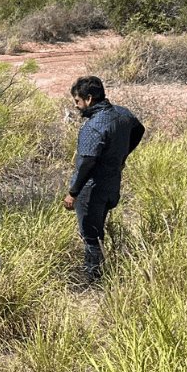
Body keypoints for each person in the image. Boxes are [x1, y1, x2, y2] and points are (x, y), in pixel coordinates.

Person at [63, 76, 144, 282]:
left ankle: (94, 280)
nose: (76, 106)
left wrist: (73, 193)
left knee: (90, 236)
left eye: (77, 101)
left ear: (89, 99)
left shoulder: (93, 127)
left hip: (92, 189)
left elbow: (86, 164)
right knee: (98, 231)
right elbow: (139, 129)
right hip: (112, 183)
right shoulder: (123, 114)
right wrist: (122, 155)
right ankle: (100, 270)